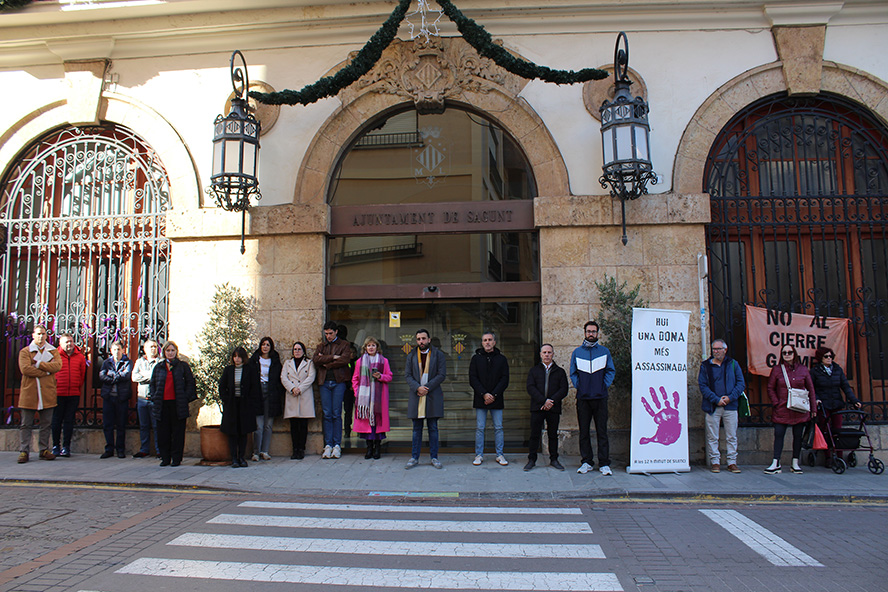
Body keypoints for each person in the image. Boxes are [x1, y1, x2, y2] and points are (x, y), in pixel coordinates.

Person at [569, 321, 616, 476]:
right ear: (584, 333)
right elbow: (573, 373)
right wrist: (580, 386)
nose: (591, 334)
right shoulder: (577, 352)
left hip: (600, 397)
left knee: (602, 431)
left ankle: (604, 463)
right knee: (584, 432)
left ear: (597, 333)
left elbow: (610, 371)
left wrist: (603, 386)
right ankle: (587, 462)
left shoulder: (605, 351)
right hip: (583, 398)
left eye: (594, 331)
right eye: (588, 331)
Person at [765, 344, 816, 475]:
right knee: (779, 434)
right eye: (784, 353)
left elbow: (810, 389)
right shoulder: (777, 370)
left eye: (789, 352)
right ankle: (776, 462)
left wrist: (813, 408)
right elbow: (770, 387)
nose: (787, 355)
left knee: (798, 436)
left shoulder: (803, 370)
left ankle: (795, 462)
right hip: (782, 408)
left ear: (794, 354)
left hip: (799, 409)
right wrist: (776, 402)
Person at [698, 338, 745, 473]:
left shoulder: (733, 364)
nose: (716, 351)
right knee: (713, 436)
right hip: (713, 406)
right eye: (714, 349)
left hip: (730, 406)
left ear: (725, 350)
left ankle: (732, 462)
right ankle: (715, 462)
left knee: (731, 435)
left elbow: (741, 384)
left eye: (719, 349)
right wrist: (716, 399)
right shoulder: (705, 366)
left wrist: (730, 397)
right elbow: (703, 385)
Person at [17, 324, 62, 463]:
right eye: (38, 334)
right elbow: (25, 370)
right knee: (26, 424)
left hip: (47, 392)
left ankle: (44, 449)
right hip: (30, 393)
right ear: (33, 335)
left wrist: (38, 365)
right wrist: (47, 371)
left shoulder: (53, 351)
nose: (41, 336)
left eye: (43, 334)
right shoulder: (25, 352)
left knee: (46, 423)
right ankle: (24, 451)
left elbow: (58, 366)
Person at [404, 328, 447, 470]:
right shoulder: (411, 355)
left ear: (429, 340)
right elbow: (407, 375)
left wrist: (426, 387)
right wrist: (418, 388)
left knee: (433, 428)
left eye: (423, 338)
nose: (421, 341)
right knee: (416, 429)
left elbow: (441, 375)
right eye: (418, 339)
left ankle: (434, 457)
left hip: (432, 395)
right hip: (416, 395)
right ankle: (414, 457)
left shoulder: (438, 355)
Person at [149, 341, 196, 467]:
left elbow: (190, 383)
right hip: (162, 404)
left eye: (172, 350)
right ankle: (165, 457)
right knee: (163, 433)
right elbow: (152, 383)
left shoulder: (182, 366)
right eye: (168, 350)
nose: (170, 353)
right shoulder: (159, 367)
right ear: (164, 352)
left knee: (177, 433)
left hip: (177, 404)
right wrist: (154, 396)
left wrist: (185, 397)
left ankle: (176, 458)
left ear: (176, 352)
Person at [312, 321, 352, 459]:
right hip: (324, 382)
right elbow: (316, 360)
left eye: (330, 333)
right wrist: (333, 357)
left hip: (338, 382)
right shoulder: (321, 346)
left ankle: (337, 445)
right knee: (327, 413)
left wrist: (327, 364)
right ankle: (328, 444)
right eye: (326, 334)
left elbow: (345, 360)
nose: (328, 336)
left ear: (336, 332)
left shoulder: (344, 345)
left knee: (336, 413)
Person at [525, 344, 568, 471]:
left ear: (553, 354)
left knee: (553, 435)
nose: (547, 355)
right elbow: (530, 387)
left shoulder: (560, 371)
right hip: (537, 407)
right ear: (540, 354)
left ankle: (554, 459)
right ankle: (531, 460)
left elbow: (564, 389)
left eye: (549, 352)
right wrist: (543, 401)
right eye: (544, 352)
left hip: (553, 408)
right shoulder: (534, 371)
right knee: (534, 434)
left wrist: (551, 402)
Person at [469, 331, 510, 466]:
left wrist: (494, 395)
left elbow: (505, 379)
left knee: (498, 427)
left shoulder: (502, 359)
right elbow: (473, 379)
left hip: (497, 399)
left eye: (490, 340)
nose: (487, 342)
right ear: (482, 343)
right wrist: (484, 394)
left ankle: (500, 455)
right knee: (480, 428)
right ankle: (479, 455)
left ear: (494, 342)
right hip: (481, 399)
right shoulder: (476, 358)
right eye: (485, 340)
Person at [811, 346, 861, 454]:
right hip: (824, 405)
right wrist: (817, 399)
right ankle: (828, 456)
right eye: (826, 356)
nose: (829, 358)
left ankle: (839, 454)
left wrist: (854, 400)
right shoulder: (815, 371)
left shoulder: (837, 369)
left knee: (838, 430)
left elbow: (845, 386)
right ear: (821, 358)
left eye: (831, 356)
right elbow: (812, 388)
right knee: (825, 430)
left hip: (837, 403)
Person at [351, 336, 393, 460]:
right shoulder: (359, 361)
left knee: (378, 424)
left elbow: (389, 376)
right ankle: (369, 449)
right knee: (367, 425)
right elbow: (355, 378)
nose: (371, 348)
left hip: (379, 398)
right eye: (368, 345)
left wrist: (380, 376)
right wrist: (357, 392)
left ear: (377, 347)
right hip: (364, 398)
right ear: (365, 347)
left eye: (373, 345)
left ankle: (377, 449)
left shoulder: (384, 361)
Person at [219, 346, 259, 468]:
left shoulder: (250, 370)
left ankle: (242, 457)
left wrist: (250, 401)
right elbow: (222, 386)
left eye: (239, 357)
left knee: (243, 432)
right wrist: (226, 399)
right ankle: (234, 458)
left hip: (245, 405)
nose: (237, 359)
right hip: (232, 404)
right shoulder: (228, 370)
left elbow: (255, 387)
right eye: (235, 356)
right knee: (233, 432)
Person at [51, 333, 86, 458]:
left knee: (69, 420)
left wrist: (76, 386)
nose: (69, 344)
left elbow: (82, 375)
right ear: (60, 344)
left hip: (73, 393)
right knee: (56, 420)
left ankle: (66, 446)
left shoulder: (80, 357)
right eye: (66, 342)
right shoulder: (54, 355)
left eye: (71, 341)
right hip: (58, 393)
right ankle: (55, 446)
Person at [249, 336, 283, 461]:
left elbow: (279, 378)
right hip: (257, 393)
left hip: (271, 393)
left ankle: (265, 451)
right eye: (263, 344)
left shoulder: (274, 360)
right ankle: (256, 452)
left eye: (268, 345)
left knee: (268, 425)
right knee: (258, 426)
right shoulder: (254, 360)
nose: (265, 347)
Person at [281, 341, 316, 460]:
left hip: (304, 395)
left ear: (303, 351)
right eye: (295, 349)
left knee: (303, 425)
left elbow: (311, 377)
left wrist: (300, 389)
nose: (297, 351)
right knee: (294, 425)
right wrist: (292, 388)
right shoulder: (287, 363)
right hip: (292, 395)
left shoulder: (309, 363)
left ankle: (302, 449)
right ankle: (294, 449)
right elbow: (283, 377)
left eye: (299, 349)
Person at [98, 341, 133, 459]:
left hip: (121, 397)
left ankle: (120, 449)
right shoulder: (106, 362)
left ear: (123, 350)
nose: (116, 352)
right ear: (111, 351)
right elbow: (102, 376)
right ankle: (109, 449)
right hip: (108, 397)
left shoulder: (127, 362)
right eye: (114, 349)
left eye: (119, 349)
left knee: (121, 425)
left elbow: (127, 375)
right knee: (107, 424)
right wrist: (117, 376)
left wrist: (112, 375)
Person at [131, 340, 161, 458]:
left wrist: (144, 375)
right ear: (145, 349)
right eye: (150, 347)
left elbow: (158, 377)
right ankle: (144, 449)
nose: (153, 349)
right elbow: (134, 377)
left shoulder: (160, 362)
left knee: (156, 426)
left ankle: (159, 450)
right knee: (143, 425)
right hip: (142, 398)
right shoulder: (139, 362)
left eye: (155, 347)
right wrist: (150, 376)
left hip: (155, 399)